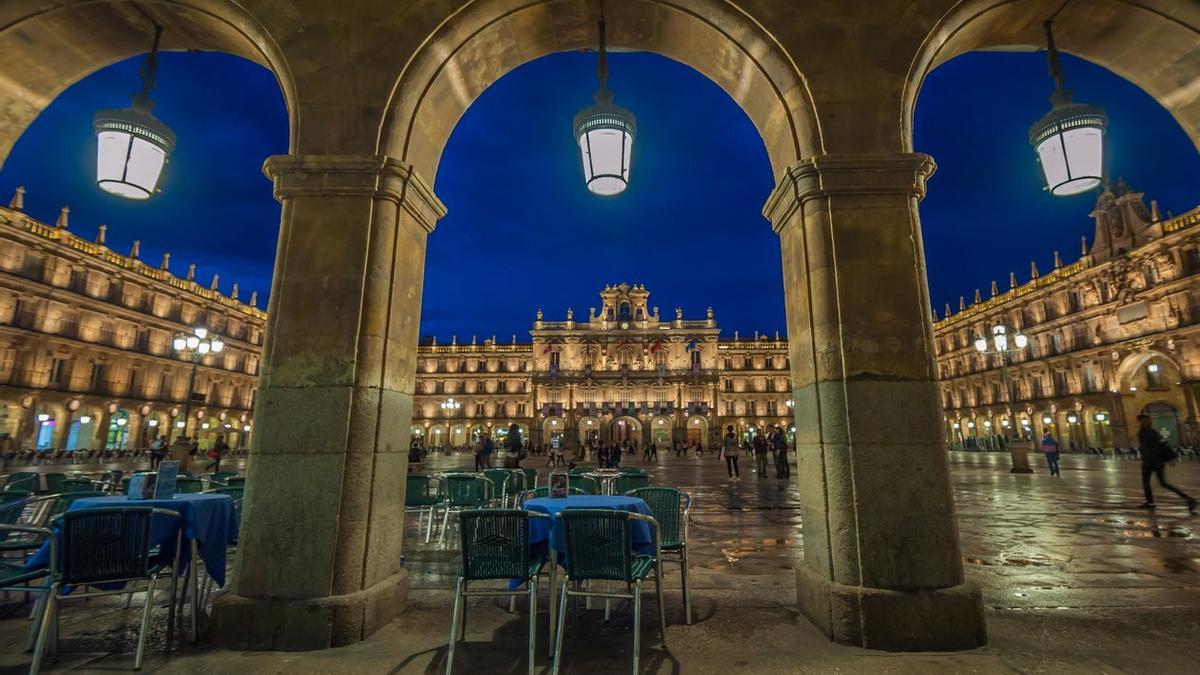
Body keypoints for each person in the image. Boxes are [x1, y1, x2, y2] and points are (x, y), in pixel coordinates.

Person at [1136, 414, 1196, 512]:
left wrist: (1147, 459)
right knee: (1162, 483)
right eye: (1140, 421)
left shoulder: (1146, 432)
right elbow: (1159, 445)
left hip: (1151, 462)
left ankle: (1150, 503)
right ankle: (1188, 499)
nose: (1141, 422)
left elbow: (1152, 447)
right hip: (1157, 461)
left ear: (1147, 421)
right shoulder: (1151, 432)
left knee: (1148, 483)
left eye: (1142, 420)